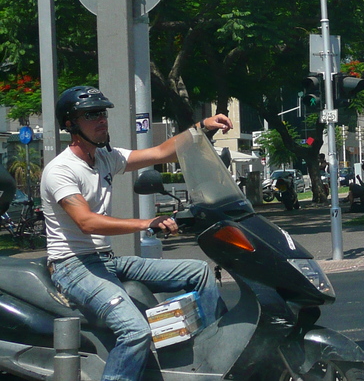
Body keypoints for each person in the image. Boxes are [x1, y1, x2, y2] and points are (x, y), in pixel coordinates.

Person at [42, 85, 232, 381]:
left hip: (105, 260)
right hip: (72, 267)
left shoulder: (105, 157)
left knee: (200, 272)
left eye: (102, 113)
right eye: (91, 114)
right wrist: (146, 223)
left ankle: (212, 358)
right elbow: (87, 222)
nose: (102, 119)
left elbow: (159, 152)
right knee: (135, 331)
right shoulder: (61, 170)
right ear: (70, 124)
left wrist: (201, 127)